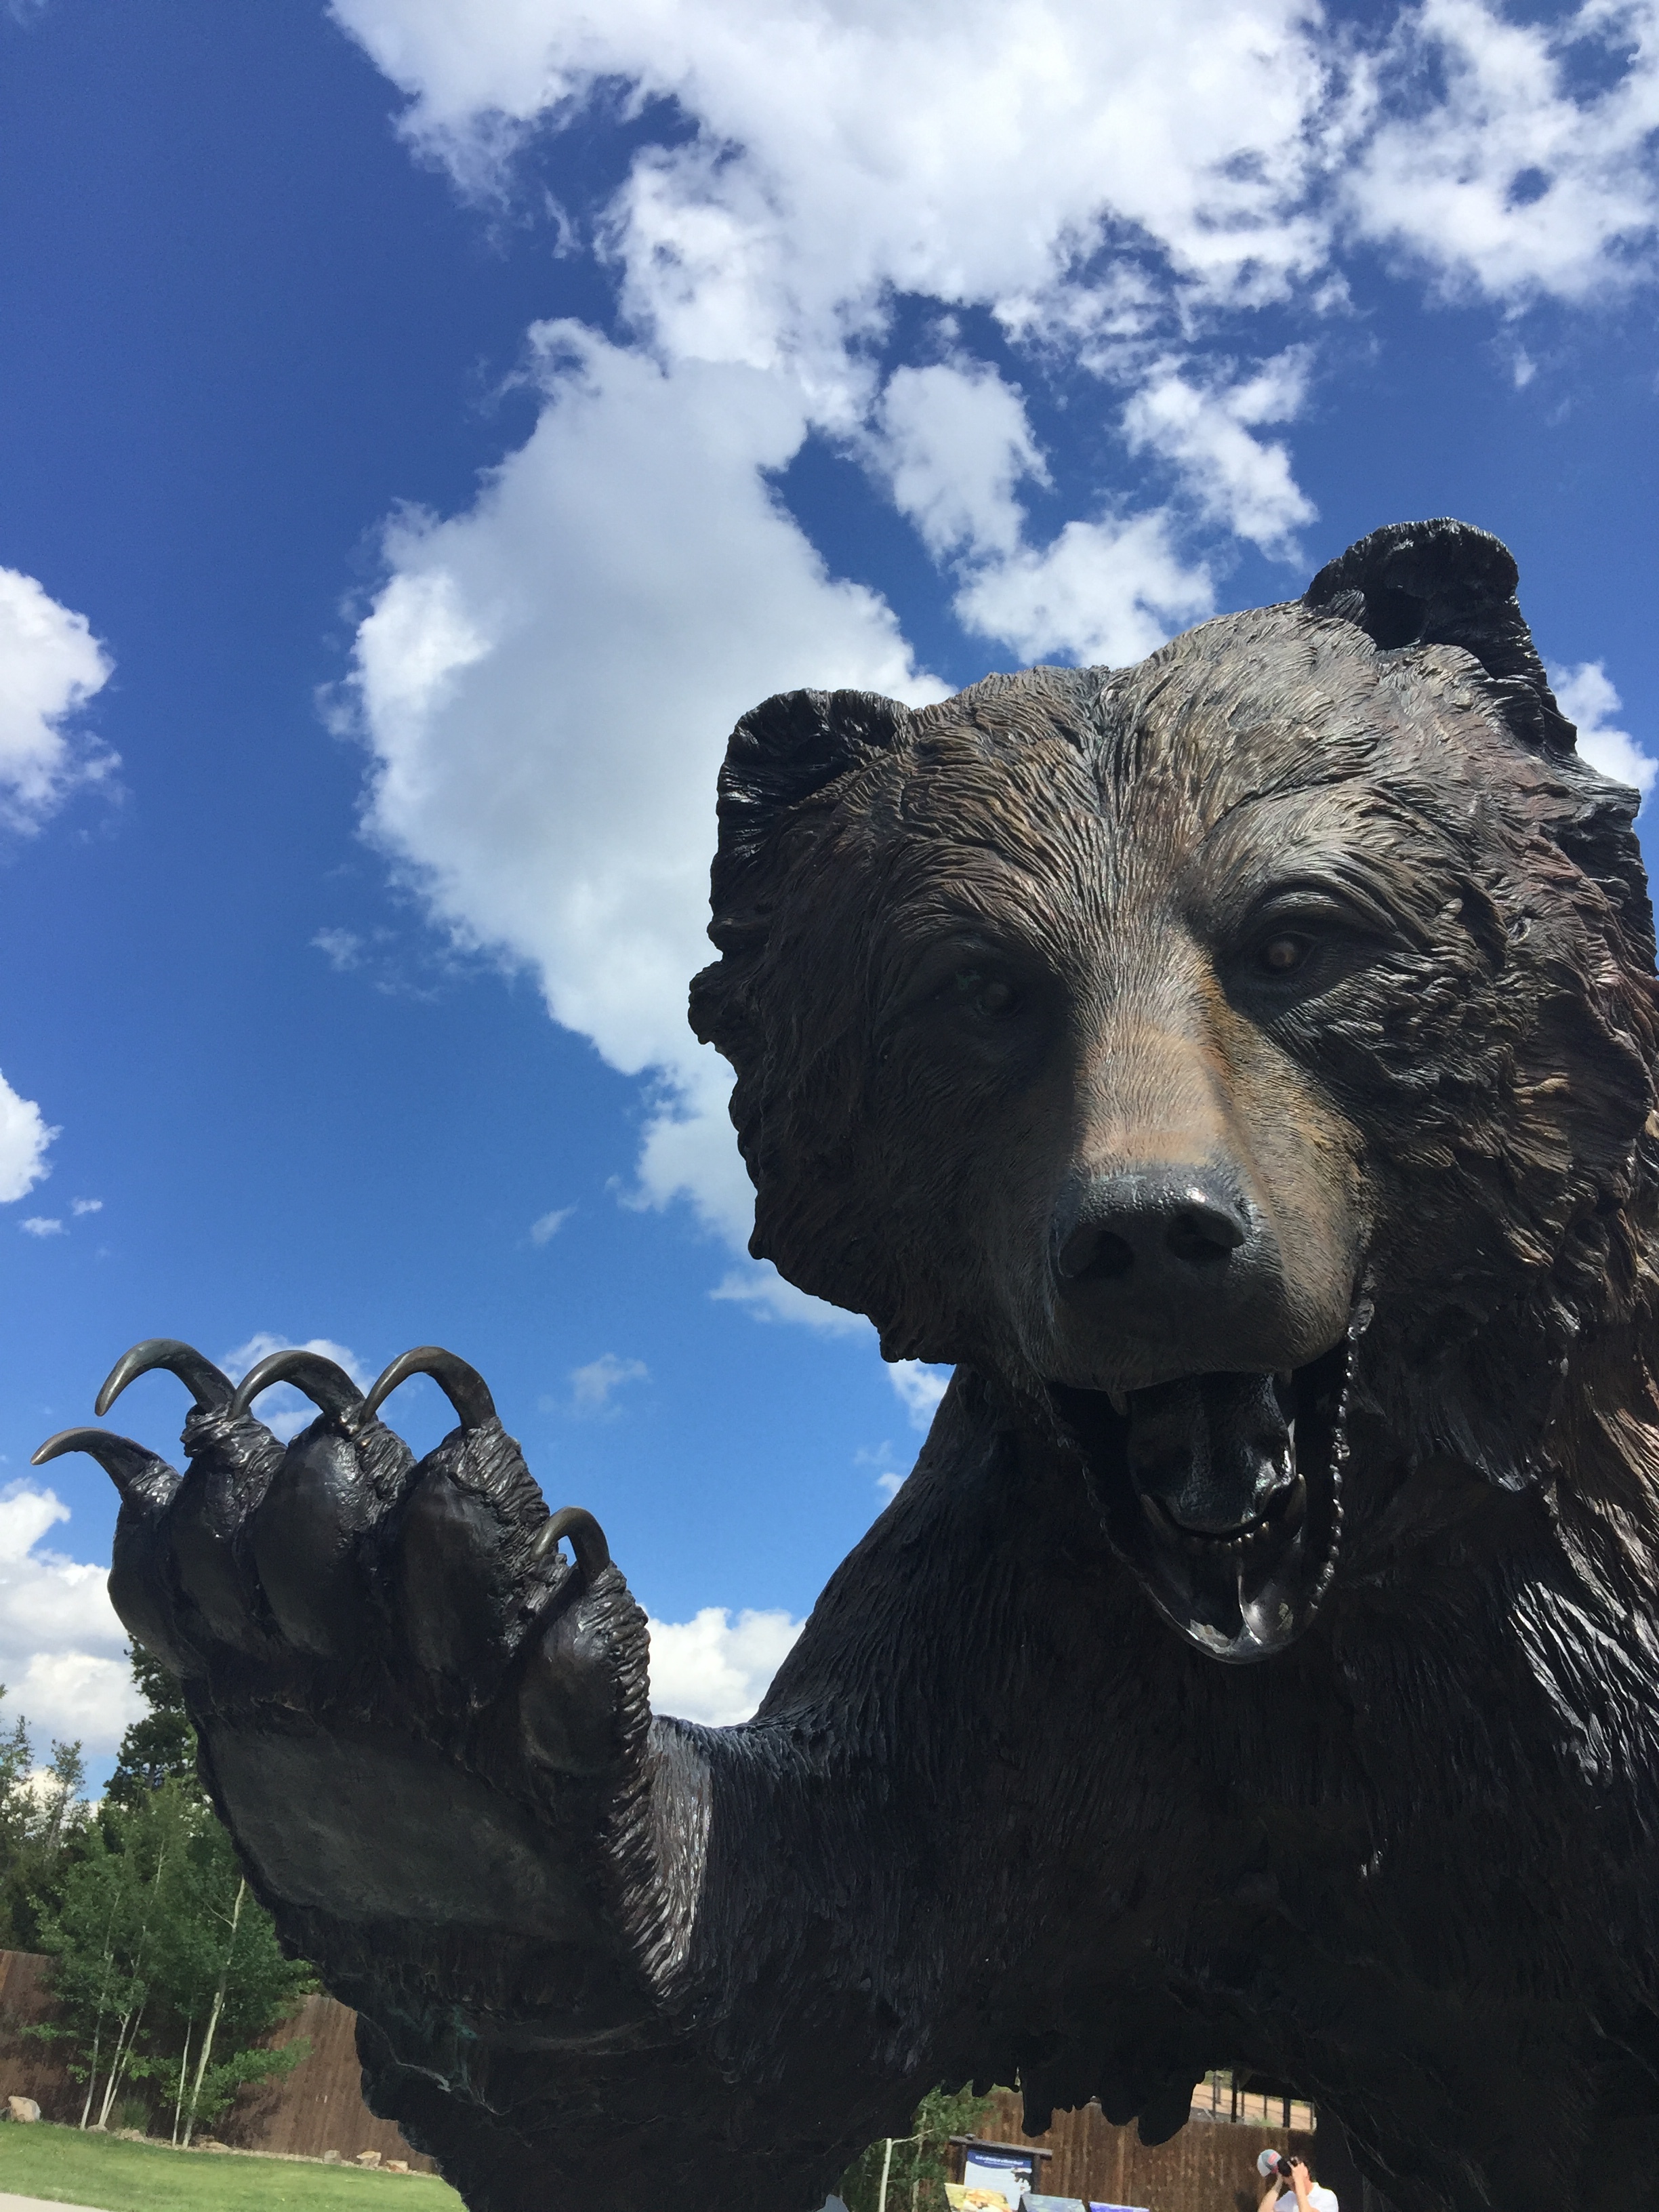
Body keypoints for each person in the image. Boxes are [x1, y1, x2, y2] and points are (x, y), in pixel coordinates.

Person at [1257, 2150, 1338, 2212]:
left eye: (1294, 2183)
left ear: (1305, 2172)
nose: (1293, 2188)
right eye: (1289, 2185)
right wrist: (1279, 2182)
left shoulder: (1327, 2196)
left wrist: (1298, 2180)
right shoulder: (1289, 2197)